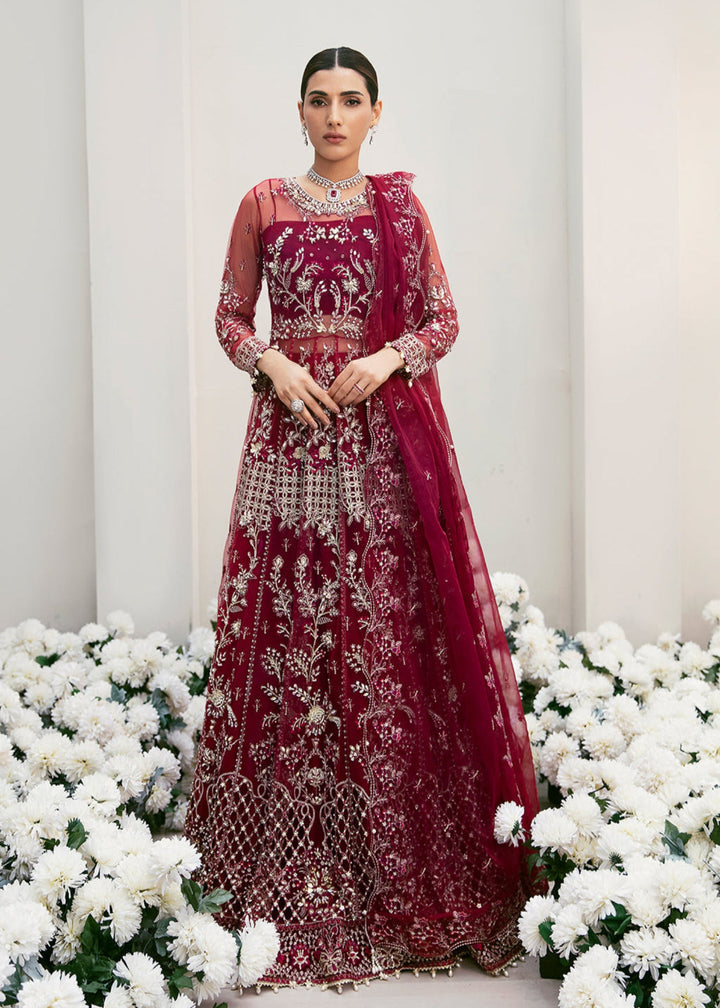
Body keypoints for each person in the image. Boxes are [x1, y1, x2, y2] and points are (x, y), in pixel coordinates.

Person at [184, 46, 540, 992]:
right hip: (287, 447)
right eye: (319, 101)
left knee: (374, 632)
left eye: (351, 100)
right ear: (299, 111)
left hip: (378, 446)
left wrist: (385, 360)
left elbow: (442, 319)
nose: (334, 116)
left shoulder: (399, 210)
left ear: (377, 112)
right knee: (290, 625)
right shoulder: (264, 203)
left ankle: (385, 850)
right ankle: (283, 848)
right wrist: (272, 364)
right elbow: (229, 316)